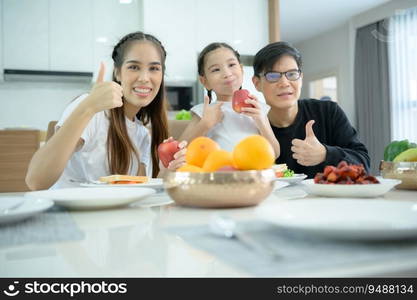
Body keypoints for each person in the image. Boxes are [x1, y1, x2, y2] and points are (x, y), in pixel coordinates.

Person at [26, 31, 186, 190]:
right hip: (71, 213)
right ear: (117, 72)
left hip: (111, 215)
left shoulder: (142, 135)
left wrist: (165, 174)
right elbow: (36, 181)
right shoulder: (93, 110)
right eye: (134, 67)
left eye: (154, 68)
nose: (144, 77)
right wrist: (88, 107)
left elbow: (137, 193)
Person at [252, 41, 370, 178]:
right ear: (257, 83)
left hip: (328, 199)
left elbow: (364, 164)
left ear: (301, 78)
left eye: (291, 74)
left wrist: (325, 154)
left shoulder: (328, 112)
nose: (284, 83)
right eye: (273, 76)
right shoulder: (251, 125)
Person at [179, 42, 280, 156]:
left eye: (231, 65)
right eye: (216, 69)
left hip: (252, 172)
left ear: (241, 70)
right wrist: (205, 124)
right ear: (204, 81)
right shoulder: (204, 111)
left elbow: (275, 153)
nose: (227, 73)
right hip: (217, 172)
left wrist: (261, 122)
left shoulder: (258, 108)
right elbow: (180, 151)